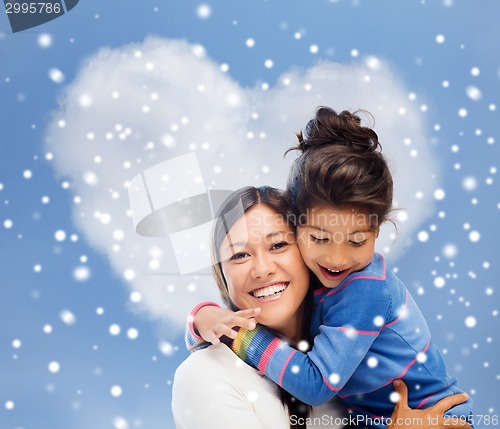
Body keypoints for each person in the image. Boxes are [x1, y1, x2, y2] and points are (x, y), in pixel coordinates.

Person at [187, 108, 473, 428]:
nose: (337, 259)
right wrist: (204, 317)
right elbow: (213, 331)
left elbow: (315, 385)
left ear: (377, 232)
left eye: (356, 242)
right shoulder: (321, 283)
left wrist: (238, 334)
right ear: (297, 226)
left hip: (433, 418)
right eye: (320, 238)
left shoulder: (364, 289)